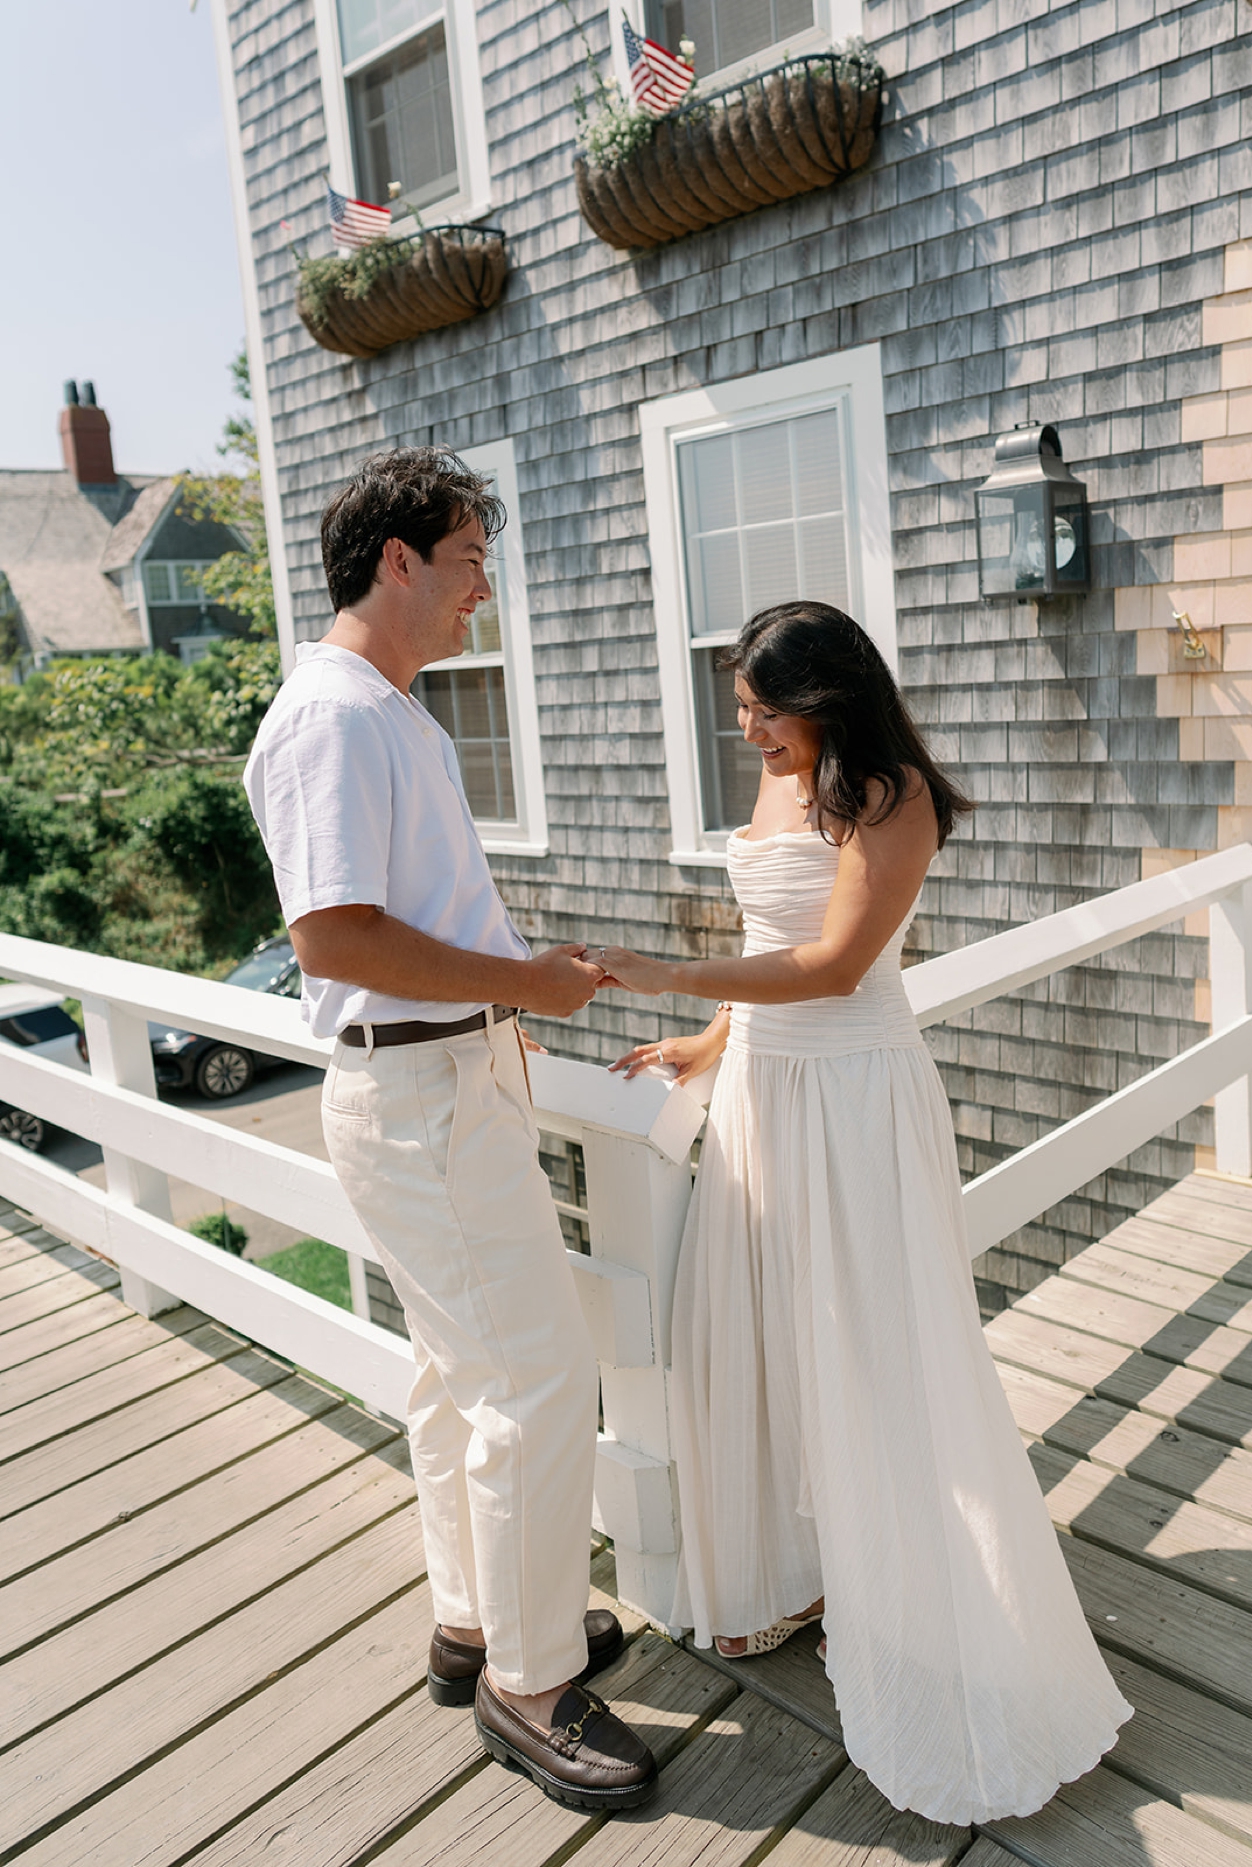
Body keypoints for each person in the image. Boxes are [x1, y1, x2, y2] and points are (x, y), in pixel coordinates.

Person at [602, 601, 1131, 1824]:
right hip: (763, 1090)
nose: (746, 732)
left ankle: (916, 1603)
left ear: (829, 699)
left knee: (874, 1345)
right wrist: (706, 1036)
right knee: (765, 1330)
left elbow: (835, 963)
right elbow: (766, 935)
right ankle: (794, 1572)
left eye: (763, 712)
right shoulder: (785, 783)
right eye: (737, 708)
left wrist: (662, 967)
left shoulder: (893, 795)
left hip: (850, 1096)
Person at [243, 447, 657, 1814]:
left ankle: (477, 1616)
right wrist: (521, 981)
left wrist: (501, 1004)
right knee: (538, 1376)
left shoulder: (391, 710)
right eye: (472, 552)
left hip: (447, 1076)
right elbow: (335, 933)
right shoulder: (336, 718)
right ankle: (531, 1687)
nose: (487, 582)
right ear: (399, 558)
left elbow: (399, 918)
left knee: (458, 1369)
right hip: (418, 1096)